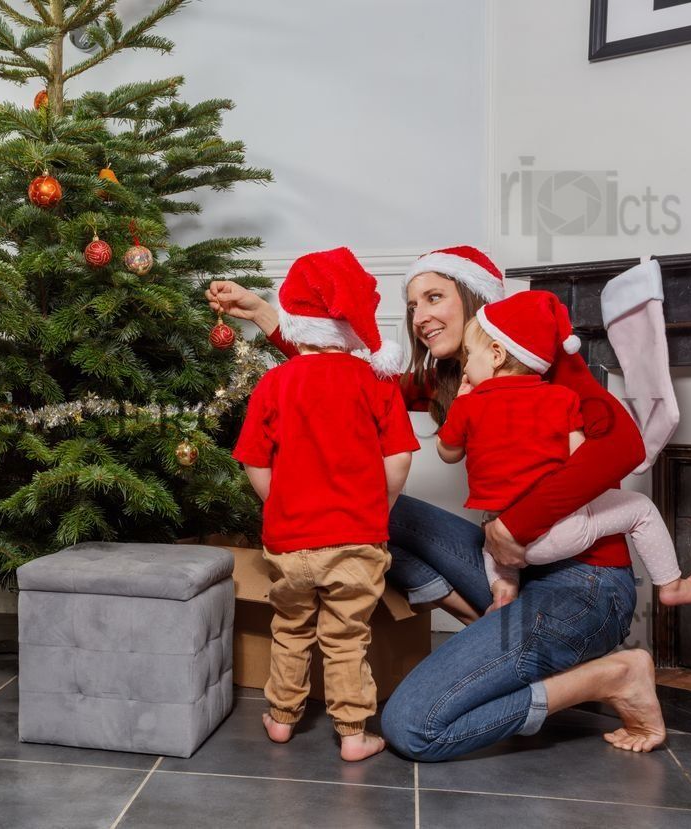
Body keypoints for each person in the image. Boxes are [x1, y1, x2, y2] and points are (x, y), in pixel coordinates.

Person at [207, 245, 667, 760]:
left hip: (583, 584)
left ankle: (613, 675)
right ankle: (485, 626)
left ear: (476, 299)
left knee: (412, 727)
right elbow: (337, 381)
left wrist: (516, 525)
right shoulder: (454, 377)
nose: (420, 317)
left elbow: (624, 444)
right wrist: (270, 317)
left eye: (434, 297)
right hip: (509, 574)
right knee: (358, 512)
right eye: (412, 305)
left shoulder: (544, 361)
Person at [233, 247, 418, 761]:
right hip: (357, 540)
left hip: (290, 541)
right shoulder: (375, 383)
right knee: (346, 636)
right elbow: (399, 459)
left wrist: (280, 503)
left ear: (295, 323)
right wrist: (379, 506)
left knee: (290, 629)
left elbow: (254, 460)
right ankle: (354, 733)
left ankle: (281, 719)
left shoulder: (275, 382)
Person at [438, 290, 691, 611]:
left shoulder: (468, 405)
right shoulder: (560, 397)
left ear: (496, 355)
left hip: (510, 539)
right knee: (641, 509)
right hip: (563, 535)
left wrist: (461, 406)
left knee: (489, 541)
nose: (465, 365)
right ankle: (670, 584)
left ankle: (503, 591)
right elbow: (578, 456)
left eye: (469, 354)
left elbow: (449, 452)